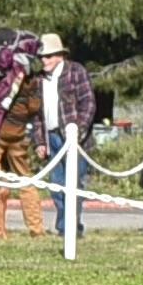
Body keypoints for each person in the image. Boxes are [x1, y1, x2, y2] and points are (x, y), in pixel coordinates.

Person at [36, 33, 94, 238]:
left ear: (60, 55)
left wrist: (78, 131)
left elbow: (88, 103)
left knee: (74, 184)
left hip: (75, 140)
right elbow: (38, 114)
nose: (44, 60)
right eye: (42, 57)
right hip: (52, 137)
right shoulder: (40, 79)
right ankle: (64, 226)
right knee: (56, 185)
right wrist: (39, 141)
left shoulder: (76, 72)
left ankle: (71, 228)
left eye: (48, 56)